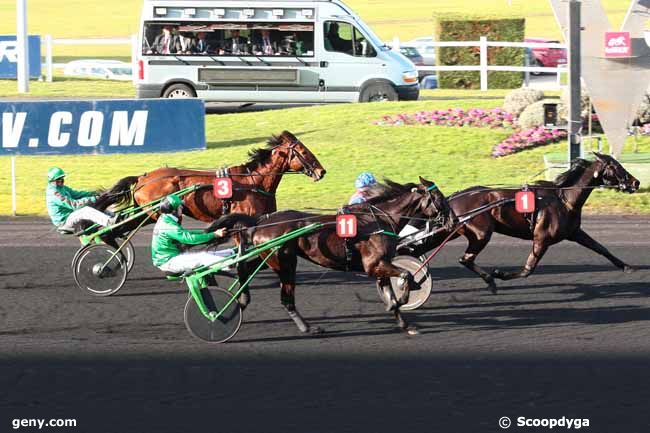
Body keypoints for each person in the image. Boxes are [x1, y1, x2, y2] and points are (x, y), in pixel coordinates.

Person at [151, 194, 235, 275]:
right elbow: (190, 239)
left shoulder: (165, 219)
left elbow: (186, 233)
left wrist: (205, 232)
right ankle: (230, 264)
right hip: (169, 262)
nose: (181, 208)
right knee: (203, 257)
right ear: (174, 211)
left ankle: (231, 252)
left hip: (171, 258)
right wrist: (214, 235)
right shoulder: (169, 226)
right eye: (180, 207)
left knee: (206, 255)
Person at [45, 167, 116, 234]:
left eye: (62, 178)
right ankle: (109, 222)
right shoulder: (54, 194)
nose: (61, 181)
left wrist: (93, 194)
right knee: (86, 210)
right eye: (58, 179)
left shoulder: (62, 188)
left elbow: (77, 194)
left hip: (71, 215)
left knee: (96, 206)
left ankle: (113, 217)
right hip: (64, 222)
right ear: (52, 181)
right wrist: (92, 199)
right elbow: (74, 205)